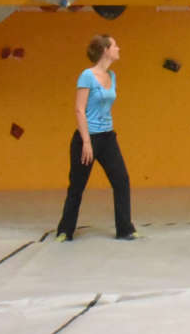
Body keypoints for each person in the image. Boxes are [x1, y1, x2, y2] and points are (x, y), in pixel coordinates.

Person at [54, 34, 136, 241]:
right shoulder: (87, 76)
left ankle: (125, 228)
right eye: (115, 45)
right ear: (105, 50)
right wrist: (87, 142)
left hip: (108, 137)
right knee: (77, 185)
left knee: (122, 181)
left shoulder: (112, 76)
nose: (118, 48)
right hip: (87, 138)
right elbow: (79, 110)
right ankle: (65, 230)